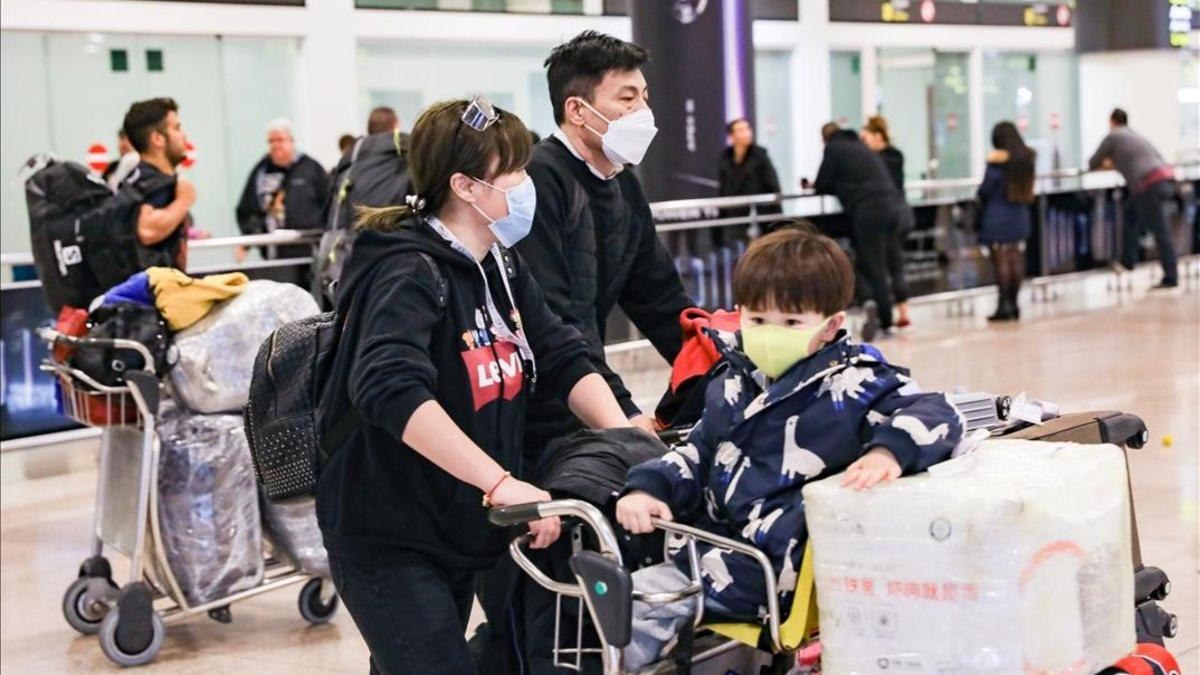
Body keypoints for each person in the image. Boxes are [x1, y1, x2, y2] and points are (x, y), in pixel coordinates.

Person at [315, 97, 634, 675]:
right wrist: (501, 483)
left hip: (455, 521)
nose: (525, 183)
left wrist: (631, 441)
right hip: (388, 532)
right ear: (464, 185)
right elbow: (389, 388)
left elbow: (561, 354)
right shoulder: (407, 270)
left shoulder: (500, 264)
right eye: (511, 170)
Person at [614, 225, 964, 668]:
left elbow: (938, 412)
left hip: (768, 566)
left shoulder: (855, 382)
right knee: (622, 554)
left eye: (792, 323)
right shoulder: (734, 379)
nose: (769, 333)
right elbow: (698, 450)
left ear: (831, 325)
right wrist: (650, 487)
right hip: (720, 542)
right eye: (758, 320)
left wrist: (887, 452)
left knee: (634, 607)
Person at [519, 30, 693, 453]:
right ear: (577, 110)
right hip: (541, 408)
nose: (644, 112)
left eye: (645, 97)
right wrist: (624, 412)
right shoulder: (540, 180)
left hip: (589, 395)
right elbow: (559, 318)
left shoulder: (623, 185)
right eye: (627, 99)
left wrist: (710, 369)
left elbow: (662, 301)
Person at [812, 122, 905, 340]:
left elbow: (823, 183)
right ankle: (878, 307)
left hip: (868, 210)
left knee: (873, 264)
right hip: (892, 207)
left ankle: (882, 313)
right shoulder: (860, 146)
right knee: (886, 263)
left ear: (825, 138)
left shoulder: (834, 148)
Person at [1088, 108, 1179, 289]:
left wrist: (1109, 164)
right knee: (1130, 214)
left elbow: (1093, 162)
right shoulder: (1135, 135)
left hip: (1149, 185)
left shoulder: (1114, 136)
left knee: (1159, 230)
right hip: (1165, 180)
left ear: (1112, 121)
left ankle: (1170, 275)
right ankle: (1128, 260)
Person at [234, 118, 330, 273]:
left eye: (280, 140)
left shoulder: (311, 169)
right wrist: (248, 241)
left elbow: (329, 205)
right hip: (275, 255)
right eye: (271, 141)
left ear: (291, 141)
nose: (275, 145)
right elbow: (246, 209)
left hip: (310, 253)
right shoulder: (261, 171)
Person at [122, 97, 195, 270]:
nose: (183, 135)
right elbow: (146, 230)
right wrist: (184, 199)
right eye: (176, 128)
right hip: (155, 293)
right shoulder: (157, 184)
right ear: (157, 139)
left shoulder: (134, 179)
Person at [978, 122, 1036, 322]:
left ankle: (1004, 305)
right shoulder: (1026, 160)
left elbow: (985, 190)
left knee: (1001, 261)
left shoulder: (997, 163)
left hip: (997, 215)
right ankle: (1015, 304)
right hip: (1020, 215)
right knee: (1016, 259)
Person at [861, 115, 912, 328]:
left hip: (883, 216)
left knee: (883, 265)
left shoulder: (874, 161)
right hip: (896, 215)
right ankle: (903, 311)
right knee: (896, 263)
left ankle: (888, 310)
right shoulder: (896, 155)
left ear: (876, 136)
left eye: (865, 139)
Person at [716, 118, 783, 220]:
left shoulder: (760, 155)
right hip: (734, 215)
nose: (746, 133)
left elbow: (773, 185)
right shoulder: (724, 158)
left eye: (747, 129)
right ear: (731, 136)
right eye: (741, 130)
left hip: (759, 215)